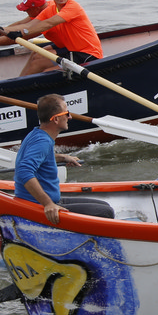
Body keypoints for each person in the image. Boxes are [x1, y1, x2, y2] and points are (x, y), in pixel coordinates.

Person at [14, 93, 114, 221]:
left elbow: (40, 157)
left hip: (50, 200)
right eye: (66, 113)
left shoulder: (36, 134)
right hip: (40, 205)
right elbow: (24, 171)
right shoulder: (43, 142)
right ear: (56, 119)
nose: (70, 117)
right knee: (106, 212)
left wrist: (62, 157)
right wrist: (48, 204)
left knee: (104, 205)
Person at [0, 0, 104, 75]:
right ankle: (17, 83)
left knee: (41, 66)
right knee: (37, 56)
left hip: (88, 54)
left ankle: (19, 87)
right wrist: (1, 29)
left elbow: (47, 24)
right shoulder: (51, 8)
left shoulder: (73, 7)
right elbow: (29, 25)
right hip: (71, 49)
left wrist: (21, 33)